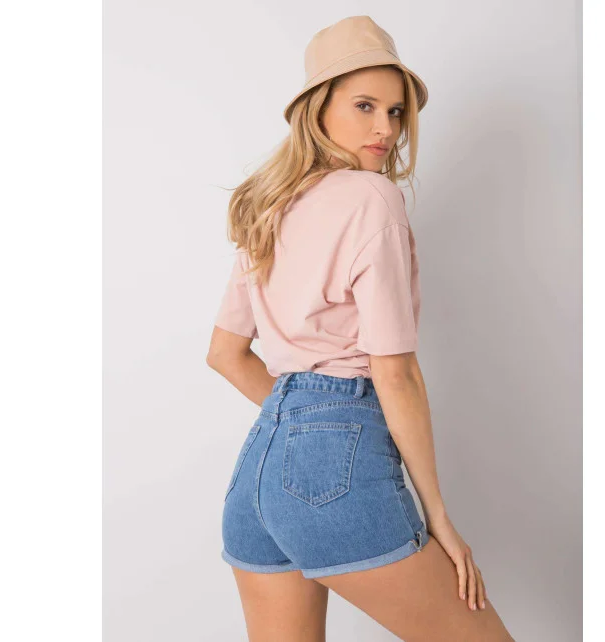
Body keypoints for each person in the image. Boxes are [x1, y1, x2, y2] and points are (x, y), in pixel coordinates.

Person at [206, 15, 515, 642]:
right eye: (365, 106)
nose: (385, 129)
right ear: (317, 108)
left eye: (396, 112)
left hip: (256, 475)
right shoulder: (371, 198)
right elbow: (393, 371)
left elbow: (226, 354)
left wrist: (302, 425)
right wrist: (439, 516)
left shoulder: (269, 205)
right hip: (333, 467)